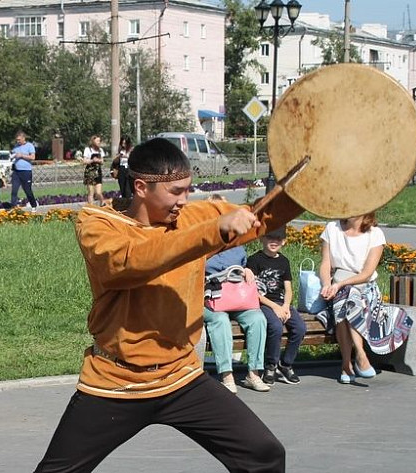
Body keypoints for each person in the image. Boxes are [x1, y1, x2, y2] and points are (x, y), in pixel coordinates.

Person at [33, 138, 302, 473]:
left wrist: (319, 185)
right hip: (117, 382)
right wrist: (213, 231)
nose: (184, 201)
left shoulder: (192, 219)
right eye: (176, 192)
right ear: (142, 186)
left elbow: (262, 214)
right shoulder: (97, 224)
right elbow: (130, 262)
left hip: (181, 378)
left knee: (265, 455)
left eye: (188, 190)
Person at [319, 212, 413, 384]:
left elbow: (367, 273)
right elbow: (325, 263)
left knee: (347, 297)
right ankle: (359, 358)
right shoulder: (332, 229)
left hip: (365, 288)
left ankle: (349, 363)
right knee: (344, 298)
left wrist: (340, 285)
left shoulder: (375, 234)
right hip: (336, 286)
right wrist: (326, 283)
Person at [203, 245, 270, 394]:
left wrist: (246, 270)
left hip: (237, 297)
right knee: (220, 320)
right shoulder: (202, 244)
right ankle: (227, 375)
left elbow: (243, 265)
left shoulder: (237, 246)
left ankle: (253, 374)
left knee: (258, 318)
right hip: (209, 299)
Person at [246, 226, 306, 386]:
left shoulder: (284, 261)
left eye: (278, 239)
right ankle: (270, 365)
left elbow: (288, 288)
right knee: (276, 327)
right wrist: (275, 307)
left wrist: (286, 306)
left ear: (284, 241)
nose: (274, 242)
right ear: (262, 238)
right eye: (270, 237)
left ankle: (285, 364)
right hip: (263, 303)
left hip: (282, 303)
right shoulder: (254, 260)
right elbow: (254, 291)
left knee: (300, 328)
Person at [10, 131, 39, 210]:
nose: (18, 141)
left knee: (27, 190)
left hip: (26, 171)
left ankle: (34, 205)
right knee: (14, 190)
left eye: (19, 140)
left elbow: (33, 157)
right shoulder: (16, 147)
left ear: (23, 138)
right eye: (17, 140)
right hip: (16, 172)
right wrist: (13, 157)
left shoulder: (29, 146)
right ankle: (13, 207)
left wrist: (22, 155)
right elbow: (13, 155)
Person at [81, 135, 105, 206]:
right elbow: (84, 161)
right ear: (93, 141)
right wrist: (92, 160)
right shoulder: (88, 149)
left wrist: (99, 160)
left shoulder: (100, 150)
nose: (99, 142)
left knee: (98, 192)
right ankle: (91, 207)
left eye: (99, 141)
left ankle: (103, 203)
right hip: (90, 172)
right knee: (91, 192)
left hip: (98, 171)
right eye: (97, 141)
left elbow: (102, 161)